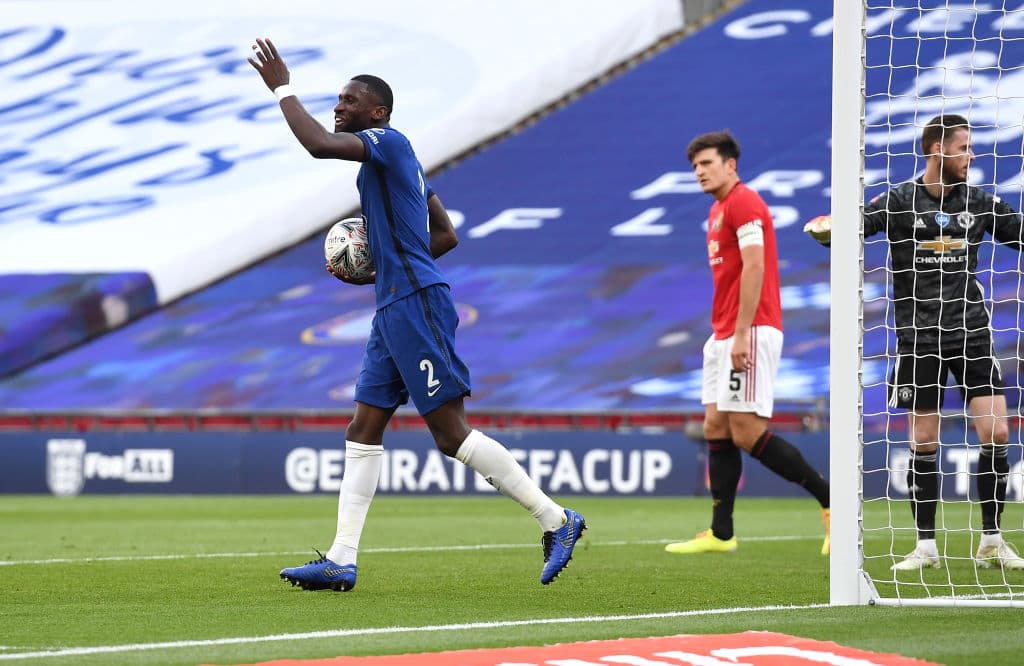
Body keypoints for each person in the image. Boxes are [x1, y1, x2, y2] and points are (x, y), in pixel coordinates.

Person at [248, 38, 586, 590]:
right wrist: (382, 265)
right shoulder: (399, 167)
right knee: (363, 426)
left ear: (376, 112)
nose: (339, 107)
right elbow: (446, 235)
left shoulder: (387, 141)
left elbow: (315, 144)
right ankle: (341, 559)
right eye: (337, 99)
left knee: (450, 435)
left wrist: (283, 87)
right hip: (393, 307)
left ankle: (557, 519)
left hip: (418, 305)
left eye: (349, 100)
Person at [807, 114, 1024, 571]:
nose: (972, 156)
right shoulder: (900, 201)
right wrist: (829, 230)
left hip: (971, 332)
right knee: (924, 440)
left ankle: (991, 540)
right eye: (964, 147)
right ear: (936, 150)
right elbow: (851, 230)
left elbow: (1019, 233)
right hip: (918, 338)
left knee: (998, 432)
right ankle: (925, 546)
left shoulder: (979, 202)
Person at [666, 131, 831, 558]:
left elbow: (755, 266)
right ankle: (722, 534)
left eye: (706, 163)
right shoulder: (718, 210)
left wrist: (741, 333)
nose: (699, 172)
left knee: (746, 430)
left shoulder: (744, 203)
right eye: (695, 167)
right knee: (715, 427)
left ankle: (833, 502)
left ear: (730, 164)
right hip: (723, 333)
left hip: (751, 330)